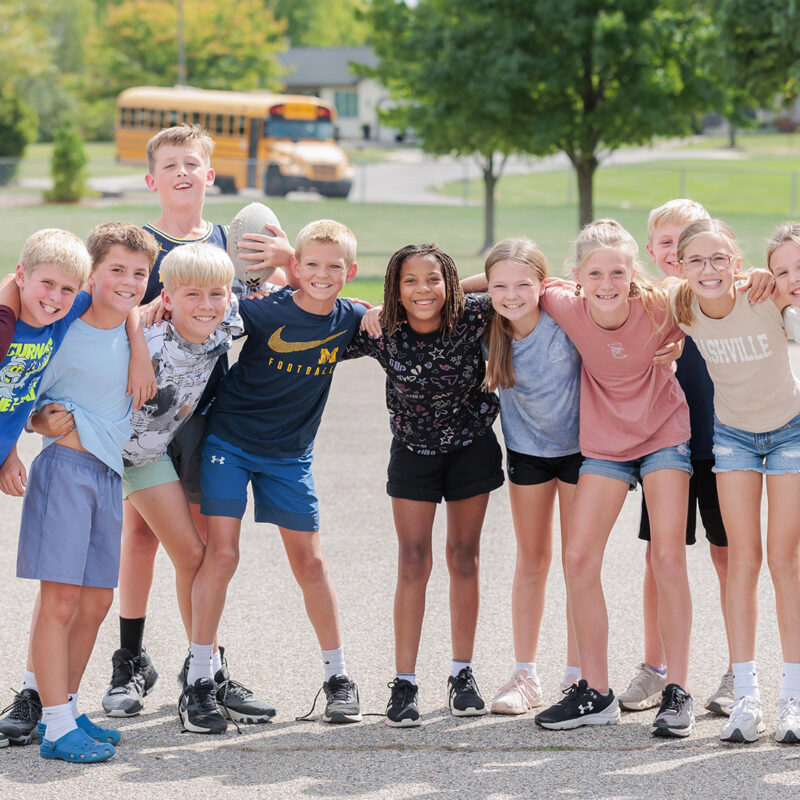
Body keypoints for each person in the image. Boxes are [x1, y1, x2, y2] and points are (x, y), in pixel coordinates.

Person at [106, 124, 281, 718]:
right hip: (146, 415)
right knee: (139, 536)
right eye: (170, 165)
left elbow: (277, 292)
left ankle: (201, 665)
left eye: (193, 164)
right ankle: (130, 659)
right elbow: (110, 302)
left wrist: (281, 258)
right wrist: (134, 339)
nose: (183, 172)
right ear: (153, 179)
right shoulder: (143, 245)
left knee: (202, 546)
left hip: (209, 414)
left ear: (210, 175)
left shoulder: (234, 239)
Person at [182, 219, 366, 733]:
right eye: (311, 264)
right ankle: (200, 678)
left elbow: (410, 304)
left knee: (309, 560)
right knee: (221, 554)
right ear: (295, 268)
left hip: (289, 456)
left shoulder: (352, 318)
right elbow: (208, 311)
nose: (322, 275)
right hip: (230, 443)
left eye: (334, 267)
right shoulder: (264, 312)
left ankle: (338, 677)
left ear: (350, 273)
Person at [533, 219, 695, 738]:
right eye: (596, 273)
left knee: (667, 555)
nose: (607, 283)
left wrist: (760, 277)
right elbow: (508, 273)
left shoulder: (661, 302)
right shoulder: (564, 303)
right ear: (577, 276)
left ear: (634, 273)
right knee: (579, 558)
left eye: (618, 272)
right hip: (605, 445)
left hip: (663, 435)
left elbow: (720, 283)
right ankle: (596, 693)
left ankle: (678, 691)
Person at [0, 229, 153, 747]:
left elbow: (126, 302)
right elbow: (29, 400)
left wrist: (138, 348)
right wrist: (37, 428)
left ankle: (60, 708)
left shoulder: (115, 321)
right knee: (60, 600)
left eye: (139, 273)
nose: (129, 282)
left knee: (96, 602)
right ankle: (57, 728)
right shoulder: (62, 325)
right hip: (64, 471)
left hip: (109, 475)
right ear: (94, 274)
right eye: (116, 270)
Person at [348, 243, 504, 727]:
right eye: (410, 280)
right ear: (395, 287)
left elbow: (511, 280)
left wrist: (465, 286)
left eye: (433, 279)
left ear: (449, 283)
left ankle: (462, 673)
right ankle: (405, 681)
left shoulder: (473, 316)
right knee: (413, 560)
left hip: (470, 447)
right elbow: (319, 318)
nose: (423, 290)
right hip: (413, 454)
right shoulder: (381, 332)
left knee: (464, 556)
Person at [672, 218, 800, 744]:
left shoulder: (766, 297)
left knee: (785, 560)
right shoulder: (681, 305)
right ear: (681, 268)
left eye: (720, 259)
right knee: (741, 560)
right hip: (733, 438)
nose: (709, 269)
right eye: (697, 261)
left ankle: (793, 698)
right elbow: (572, 287)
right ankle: (746, 696)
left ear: (738, 263)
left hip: (791, 431)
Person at [618, 199, 735, 717]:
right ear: (652, 251)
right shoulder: (639, 299)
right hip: (665, 445)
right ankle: (655, 665)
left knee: (729, 555)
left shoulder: (730, 294)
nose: (679, 251)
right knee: (658, 559)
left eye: (690, 240)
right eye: (667, 242)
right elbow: (556, 286)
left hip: (723, 442)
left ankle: (738, 668)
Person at [478, 238, 582, 715]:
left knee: (579, 562)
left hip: (584, 453)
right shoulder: (487, 329)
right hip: (528, 455)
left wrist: (556, 286)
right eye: (500, 285)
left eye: (524, 284)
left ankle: (579, 673)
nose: (511, 294)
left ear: (545, 284)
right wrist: (493, 283)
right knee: (533, 560)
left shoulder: (566, 317)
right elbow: (450, 294)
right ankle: (526, 675)